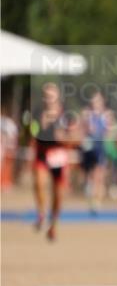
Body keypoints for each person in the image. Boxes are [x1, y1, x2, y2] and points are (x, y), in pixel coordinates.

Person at [31, 83, 76, 241]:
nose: (48, 99)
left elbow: (75, 137)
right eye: (46, 95)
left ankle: (53, 226)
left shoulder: (66, 115)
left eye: (51, 95)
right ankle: (41, 214)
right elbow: (32, 132)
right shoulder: (37, 112)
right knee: (38, 183)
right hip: (42, 154)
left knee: (58, 195)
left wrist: (63, 137)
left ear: (58, 97)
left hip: (59, 156)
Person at [80, 91, 113, 213]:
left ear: (102, 102)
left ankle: (97, 202)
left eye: (98, 100)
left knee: (99, 175)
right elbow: (82, 130)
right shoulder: (87, 113)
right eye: (93, 100)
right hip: (89, 148)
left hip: (100, 147)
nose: (95, 103)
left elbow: (109, 131)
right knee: (90, 175)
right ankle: (91, 197)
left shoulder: (107, 114)